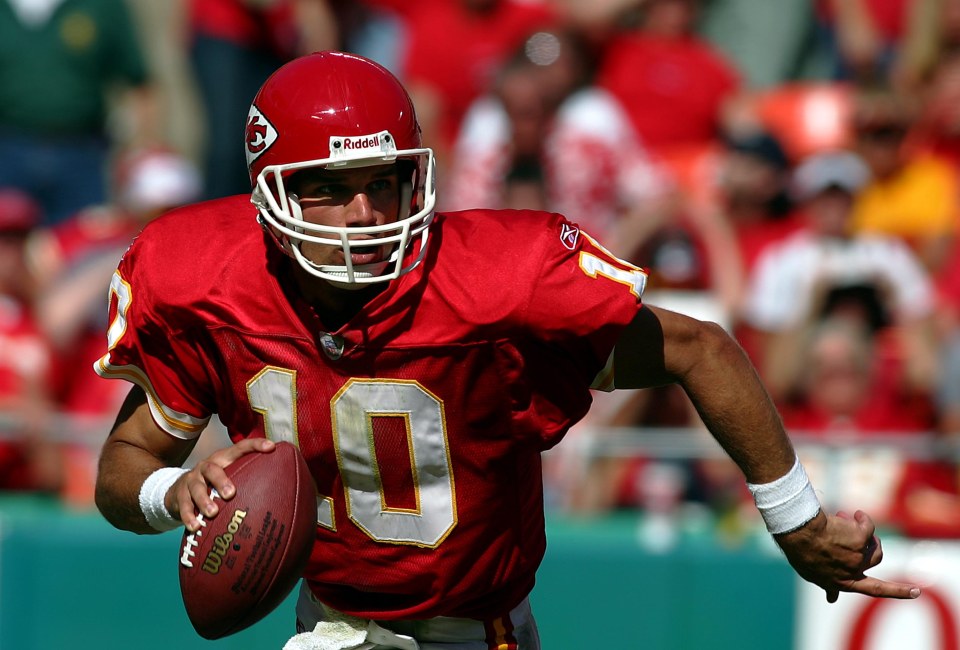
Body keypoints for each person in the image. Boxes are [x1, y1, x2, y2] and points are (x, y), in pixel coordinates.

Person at [92, 52, 920, 649]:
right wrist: (175, 490)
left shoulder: (495, 281)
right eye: (328, 187)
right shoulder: (205, 275)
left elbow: (699, 348)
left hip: (482, 630)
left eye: (384, 180)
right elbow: (122, 466)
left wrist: (797, 521)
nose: (363, 209)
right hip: (333, 626)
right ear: (269, 190)